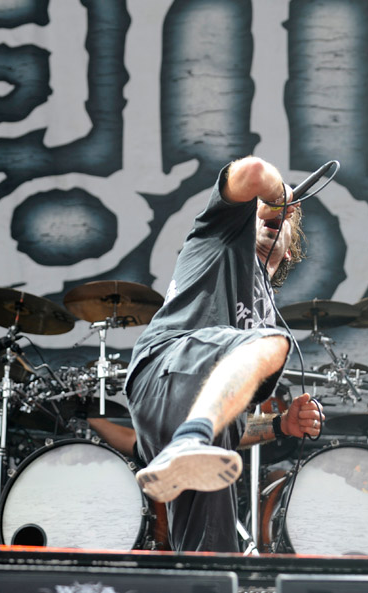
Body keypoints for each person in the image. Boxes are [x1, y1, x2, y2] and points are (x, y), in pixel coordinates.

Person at [124, 156, 324, 552]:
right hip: (165, 368)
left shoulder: (266, 310)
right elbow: (251, 172)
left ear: (288, 250)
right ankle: (192, 438)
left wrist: (280, 426)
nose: (276, 219)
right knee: (274, 343)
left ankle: (191, 443)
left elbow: (232, 416)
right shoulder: (222, 239)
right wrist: (277, 194)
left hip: (199, 434)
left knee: (215, 558)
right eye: (267, 214)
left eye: (286, 222)